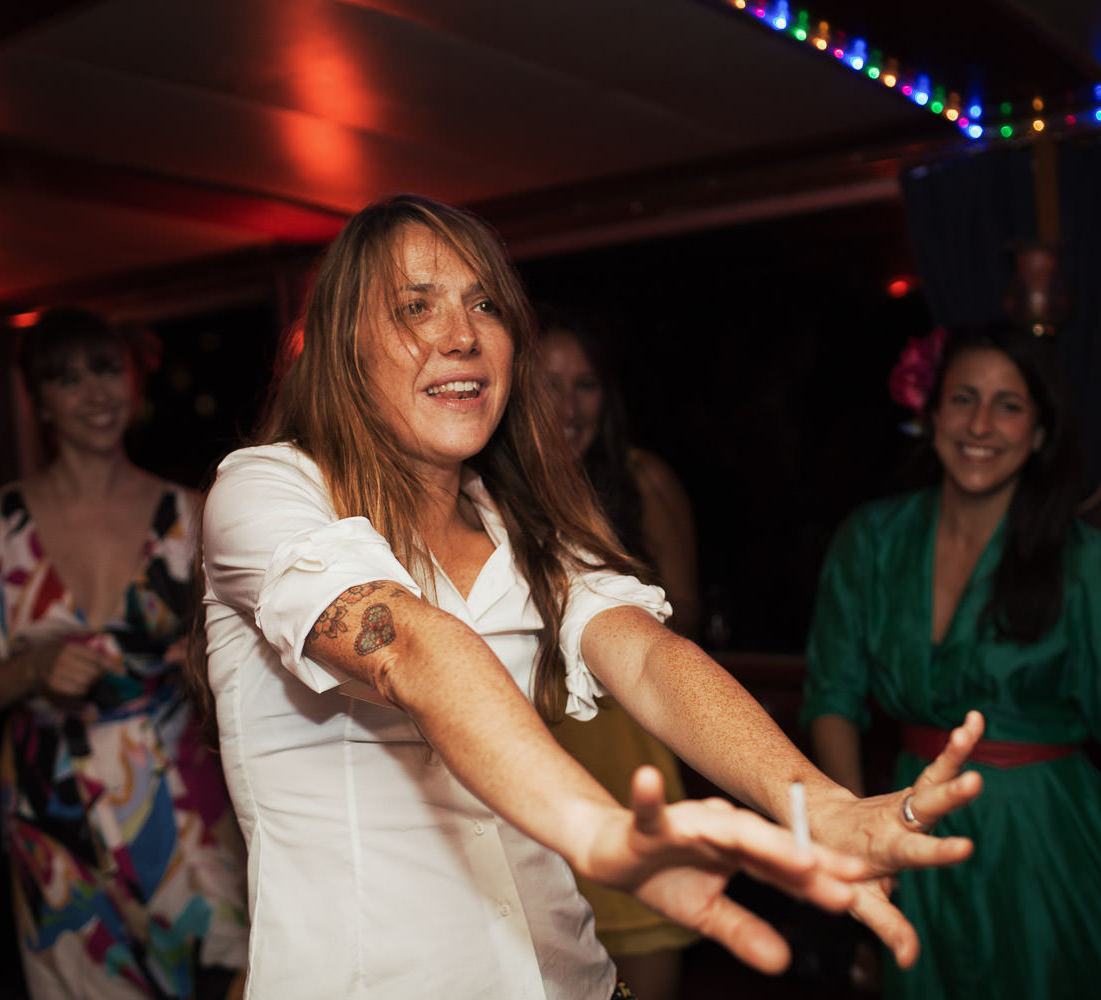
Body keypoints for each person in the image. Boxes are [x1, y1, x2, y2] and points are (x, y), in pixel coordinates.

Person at [190, 192, 988, 999]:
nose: (461, 335)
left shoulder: (524, 527)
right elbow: (409, 647)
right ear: (342, 343)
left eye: (485, 305)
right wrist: (601, 833)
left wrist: (821, 806)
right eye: (415, 306)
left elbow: (644, 658)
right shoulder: (265, 491)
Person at [803, 322, 1101, 1000]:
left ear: (1041, 433)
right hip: (914, 835)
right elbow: (831, 699)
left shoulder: (1089, 567)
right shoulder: (869, 542)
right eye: (963, 398)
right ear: (932, 414)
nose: (980, 424)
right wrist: (861, 839)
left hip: (1048, 844)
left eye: (1009, 404)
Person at [0, 306, 248, 999]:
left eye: (109, 371)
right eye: (69, 379)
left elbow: (244, 667)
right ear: (39, 400)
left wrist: (199, 664)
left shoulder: (195, 512)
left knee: (226, 975)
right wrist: (31, 671)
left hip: (182, 796)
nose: (97, 394)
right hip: (51, 808)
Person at [537, 310, 702, 1000]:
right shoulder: (482, 494)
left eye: (586, 386)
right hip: (537, 752)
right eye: (548, 385)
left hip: (630, 746)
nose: (568, 407)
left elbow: (688, 617)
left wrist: (616, 616)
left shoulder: (645, 482)